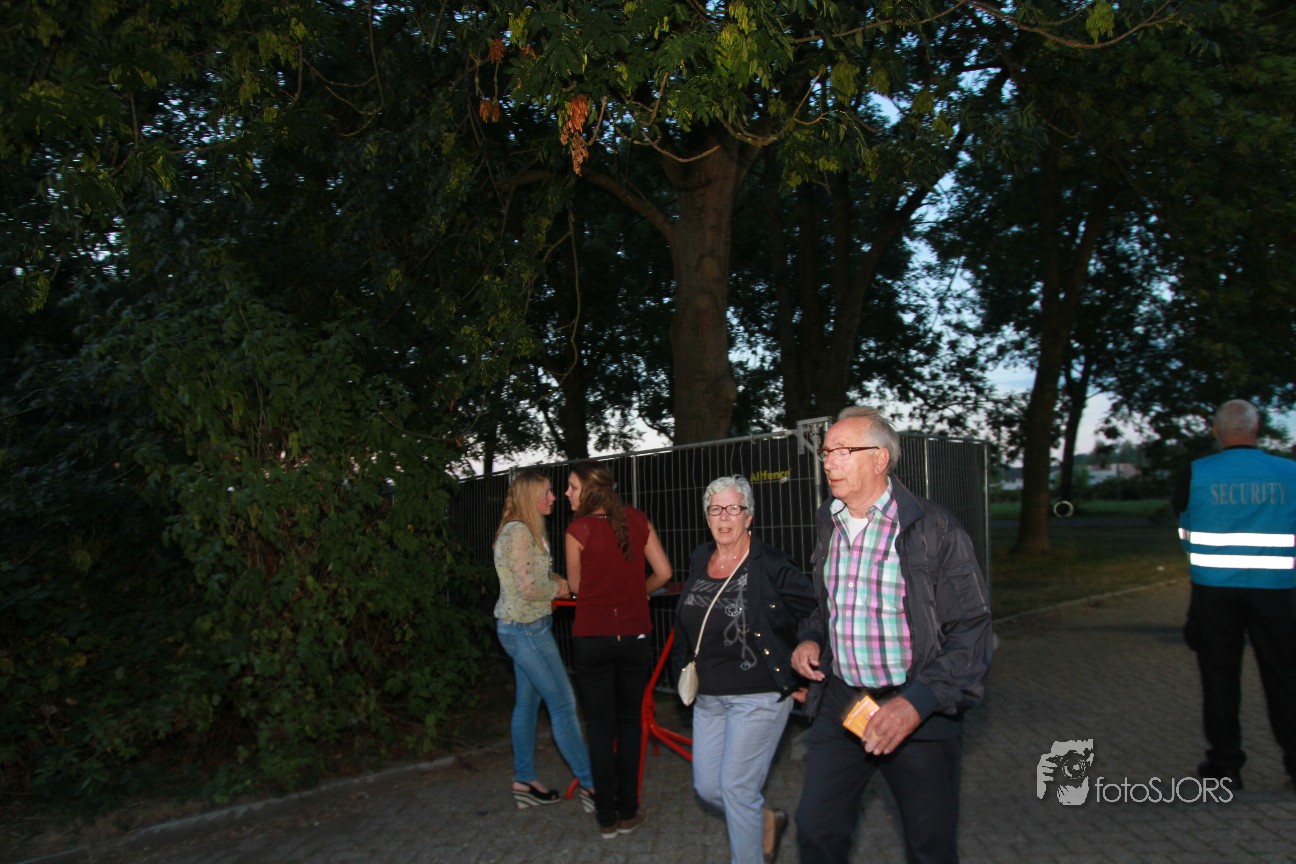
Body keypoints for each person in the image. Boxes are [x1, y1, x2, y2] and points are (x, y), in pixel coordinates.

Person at [791, 406, 993, 864]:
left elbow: (972, 630)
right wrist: (811, 638)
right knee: (816, 831)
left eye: (842, 451)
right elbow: (825, 605)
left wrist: (917, 702)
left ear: (880, 459)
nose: (828, 461)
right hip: (844, 705)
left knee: (929, 846)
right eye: (826, 452)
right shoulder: (829, 522)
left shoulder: (933, 528)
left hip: (916, 709)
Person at [671, 475, 817, 864]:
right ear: (707, 516)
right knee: (708, 788)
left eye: (733, 509)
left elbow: (815, 613)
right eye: (715, 509)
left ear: (748, 516)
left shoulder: (771, 564)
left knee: (737, 789)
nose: (724, 517)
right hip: (708, 697)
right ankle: (764, 820)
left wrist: (803, 655)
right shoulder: (701, 558)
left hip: (760, 695)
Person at [1174, 399, 1296, 790]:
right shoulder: (1290, 473)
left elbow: (1183, 521)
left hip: (1214, 592)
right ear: (1257, 428)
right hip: (1277, 591)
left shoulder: (1195, 472)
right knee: (1284, 676)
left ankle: (1225, 766)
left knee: (1219, 677)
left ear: (1216, 431)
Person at [564, 461, 673, 839]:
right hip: (634, 637)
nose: (567, 493)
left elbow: (576, 587)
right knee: (629, 725)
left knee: (599, 728)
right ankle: (628, 812)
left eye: (572, 487)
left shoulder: (577, 530)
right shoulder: (638, 520)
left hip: (592, 638)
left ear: (590, 491)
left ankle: (606, 818)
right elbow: (664, 573)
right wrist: (636, 593)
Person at [493, 470, 595, 811]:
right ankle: (592, 785)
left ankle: (524, 780)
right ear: (529, 498)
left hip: (519, 627)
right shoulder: (520, 532)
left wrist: (555, 579)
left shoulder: (523, 529)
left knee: (527, 705)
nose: (554, 497)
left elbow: (529, 575)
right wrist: (557, 588)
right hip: (527, 630)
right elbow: (528, 587)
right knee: (563, 705)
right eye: (548, 492)